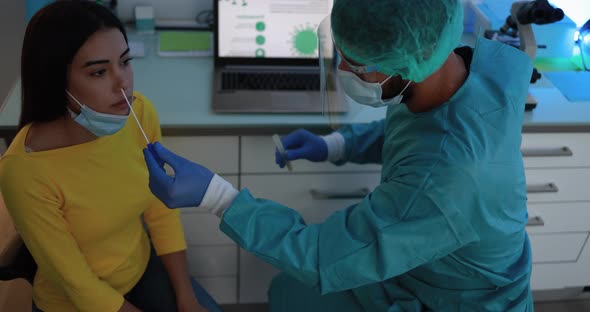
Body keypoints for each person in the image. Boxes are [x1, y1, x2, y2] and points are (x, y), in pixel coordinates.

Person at [143, 0, 535, 310]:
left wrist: (215, 196)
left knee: (297, 287)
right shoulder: (455, 73)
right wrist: (335, 144)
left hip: (452, 298)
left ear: (408, 65)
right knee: (287, 291)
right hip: (420, 265)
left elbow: (317, 256)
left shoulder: (445, 181)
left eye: (357, 63)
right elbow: (421, 133)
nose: (343, 68)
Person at [0, 1, 221, 311]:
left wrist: (186, 297)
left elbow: (162, 209)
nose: (124, 83)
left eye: (125, 61)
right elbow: (77, 283)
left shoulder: (139, 113)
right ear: (55, 80)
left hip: (142, 272)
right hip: (75, 301)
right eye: (99, 72)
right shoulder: (24, 171)